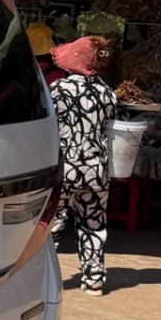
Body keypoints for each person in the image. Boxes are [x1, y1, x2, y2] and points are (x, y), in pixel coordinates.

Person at [48, 36, 118, 296]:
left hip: (64, 170)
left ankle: (46, 281)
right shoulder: (107, 93)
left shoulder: (58, 90)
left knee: (52, 226)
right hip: (96, 171)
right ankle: (94, 281)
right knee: (94, 224)